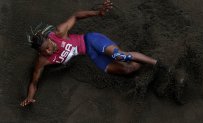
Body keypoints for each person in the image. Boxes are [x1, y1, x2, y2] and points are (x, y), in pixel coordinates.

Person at [20, 0, 159, 107]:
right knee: (128, 69)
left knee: (120, 56)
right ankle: (145, 59)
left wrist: (97, 13)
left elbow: (75, 16)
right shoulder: (42, 60)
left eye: (48, 47)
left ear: (48, 39)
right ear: (40, 52)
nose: (49, 51)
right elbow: (34, 82)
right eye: (45, 51)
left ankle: (159, 64)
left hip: (92, 40)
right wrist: (29, 97)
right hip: (90, 53)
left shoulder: (58, 33)